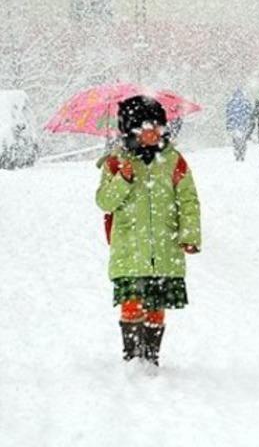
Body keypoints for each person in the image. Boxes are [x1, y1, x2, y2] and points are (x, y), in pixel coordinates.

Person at [96, 95, 202, 369]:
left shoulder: (173, 161)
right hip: (130, 249)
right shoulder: (116, 163)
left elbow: (188, 199)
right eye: (145, 127)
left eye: (157, 126)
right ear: (130, 130)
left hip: (164, 248)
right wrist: (123, 178)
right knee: (132, 301)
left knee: (156, 303)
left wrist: (189, 235)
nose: (153, 133)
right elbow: (104, 201)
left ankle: (151, 356)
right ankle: (132, 356)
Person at [226, 88, 253, 161]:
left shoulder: (231, 103)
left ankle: (237, 153)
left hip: (234, 126)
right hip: (243, 126)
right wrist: (249, 124)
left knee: (236, 141)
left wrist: (229, 126)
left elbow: (229, 115)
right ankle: (242, 153)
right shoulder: (246, 103)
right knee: (243, 141)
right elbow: (249, 114)